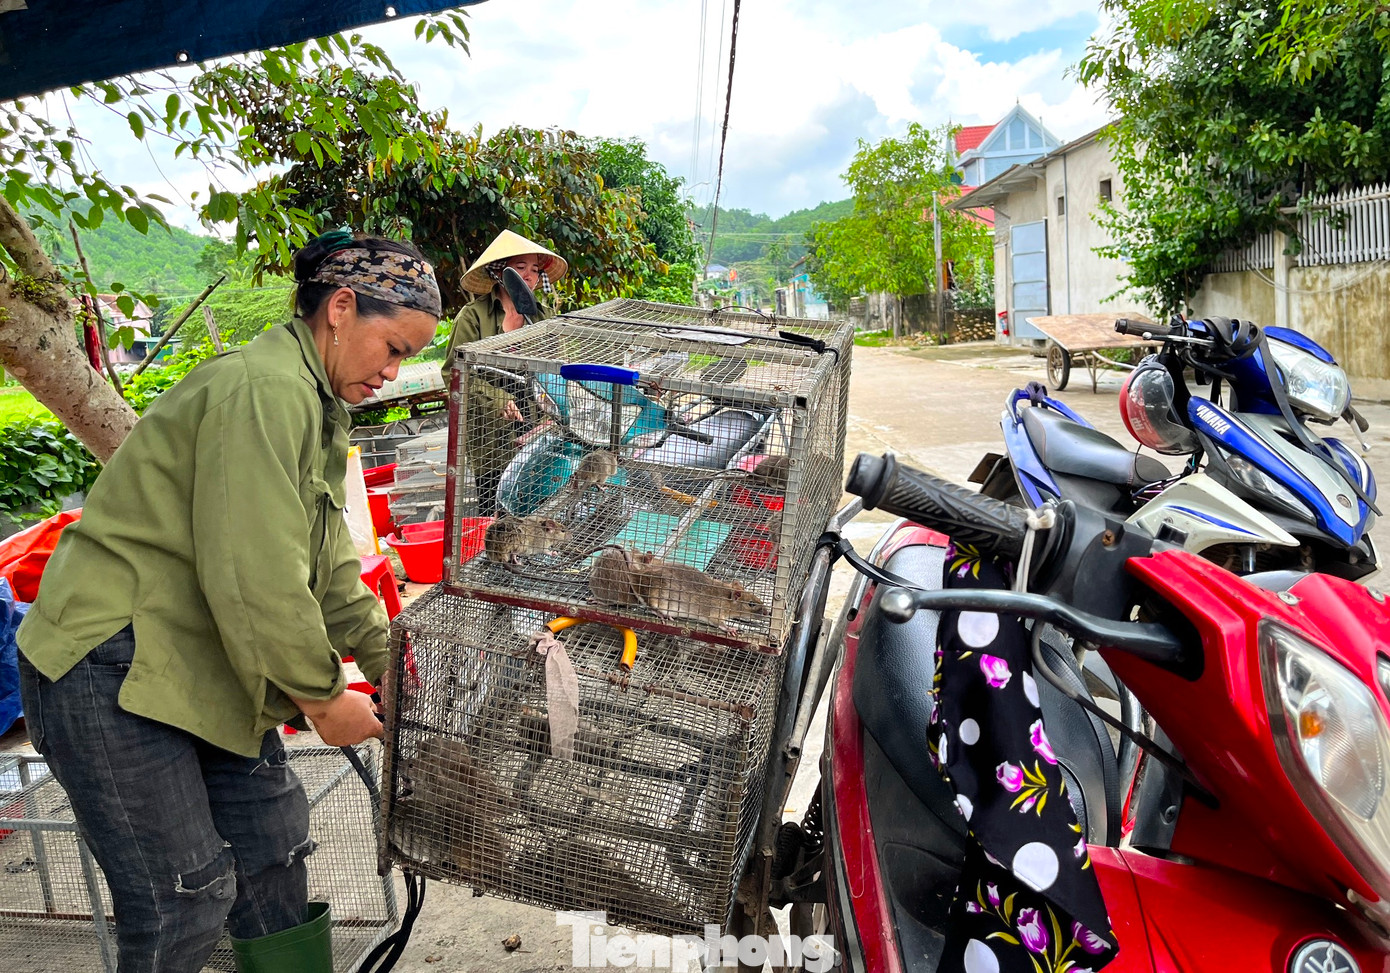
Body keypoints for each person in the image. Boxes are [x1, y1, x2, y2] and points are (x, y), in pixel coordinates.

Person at [15, 230, 441, 973]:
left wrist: (396, 666)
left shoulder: (318, 406)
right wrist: (323, 697)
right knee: (184, 896)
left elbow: (331, 569)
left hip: (201, 657)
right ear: (341, 308)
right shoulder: (263, 389)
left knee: (272, 847)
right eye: (394, 348)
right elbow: (256, 574)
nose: (393, 371)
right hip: (109, 661)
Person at [439, 229, 568, 516]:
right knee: (497, 514)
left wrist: (552, 418)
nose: (529, 276)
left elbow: (559, 372)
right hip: (491, 432)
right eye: (520, 267)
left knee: (541, 511)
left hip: (539, 424)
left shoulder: (543, 317)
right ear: (500, 272)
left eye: (534, 269)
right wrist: (498, 399)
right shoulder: (473, 316)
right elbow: (454, 374)